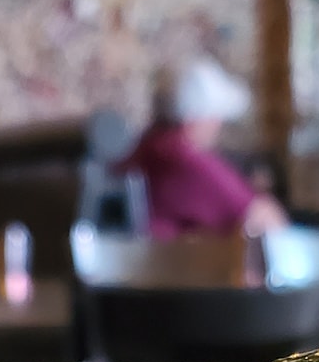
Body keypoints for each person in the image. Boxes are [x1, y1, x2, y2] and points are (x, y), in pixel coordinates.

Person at [116, 60, 285, 238]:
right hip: (165, 256)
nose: (218, 126)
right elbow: (267, 218)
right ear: (199, 118)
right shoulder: (186, 160)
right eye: (215, 117)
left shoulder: (145, 148)